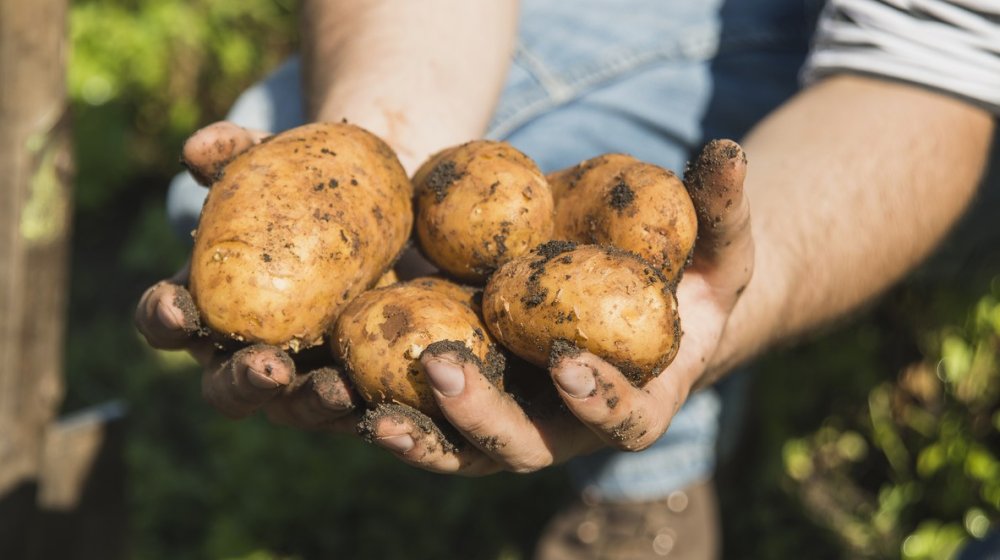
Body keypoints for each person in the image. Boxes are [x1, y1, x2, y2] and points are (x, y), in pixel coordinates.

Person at [136, 1, 999, 558]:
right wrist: (394, 144)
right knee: (220, 178)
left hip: (943, 82)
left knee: (663, 230)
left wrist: (734, 299)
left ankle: (651, 493)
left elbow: (938, 64)